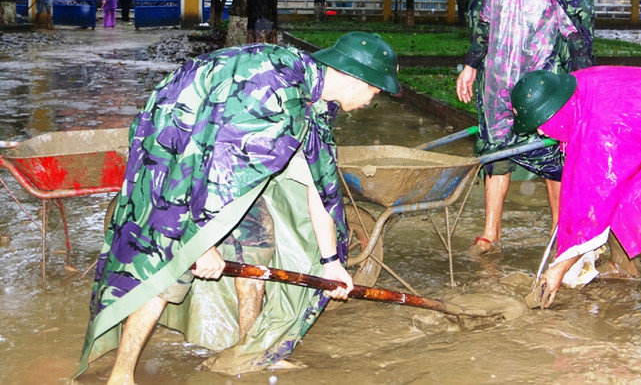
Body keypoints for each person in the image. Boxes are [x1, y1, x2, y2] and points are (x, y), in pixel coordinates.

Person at [77, 32, 401, 382]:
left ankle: (252, 353)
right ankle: (121, 375)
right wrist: (201, 243)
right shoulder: (273, 91)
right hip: (176, 154)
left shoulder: (312, 100)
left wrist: (331, 263)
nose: (372, 100)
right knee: (165, 265)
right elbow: (212, 167)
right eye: (375, 91)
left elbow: (317, 183)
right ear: (356, 79)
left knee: (256, 245)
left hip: (216, 164)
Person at [510, 67, 641, 321]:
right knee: (617, 187)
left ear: (555, 110)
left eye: (540, 124)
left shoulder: (600, 127)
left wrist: (561, 268)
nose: (539, 132)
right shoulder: (571, 94)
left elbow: (596, 201)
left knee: (633, 202)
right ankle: (621, 265)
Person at [455, 0, 595, 256]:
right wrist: (471, 63)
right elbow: (482, 13)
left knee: (553, 147)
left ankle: (560, 233)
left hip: (543, 71)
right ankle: (490, 234)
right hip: (498, 72)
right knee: (494, 146)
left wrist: (582, 74)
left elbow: (576, 15)